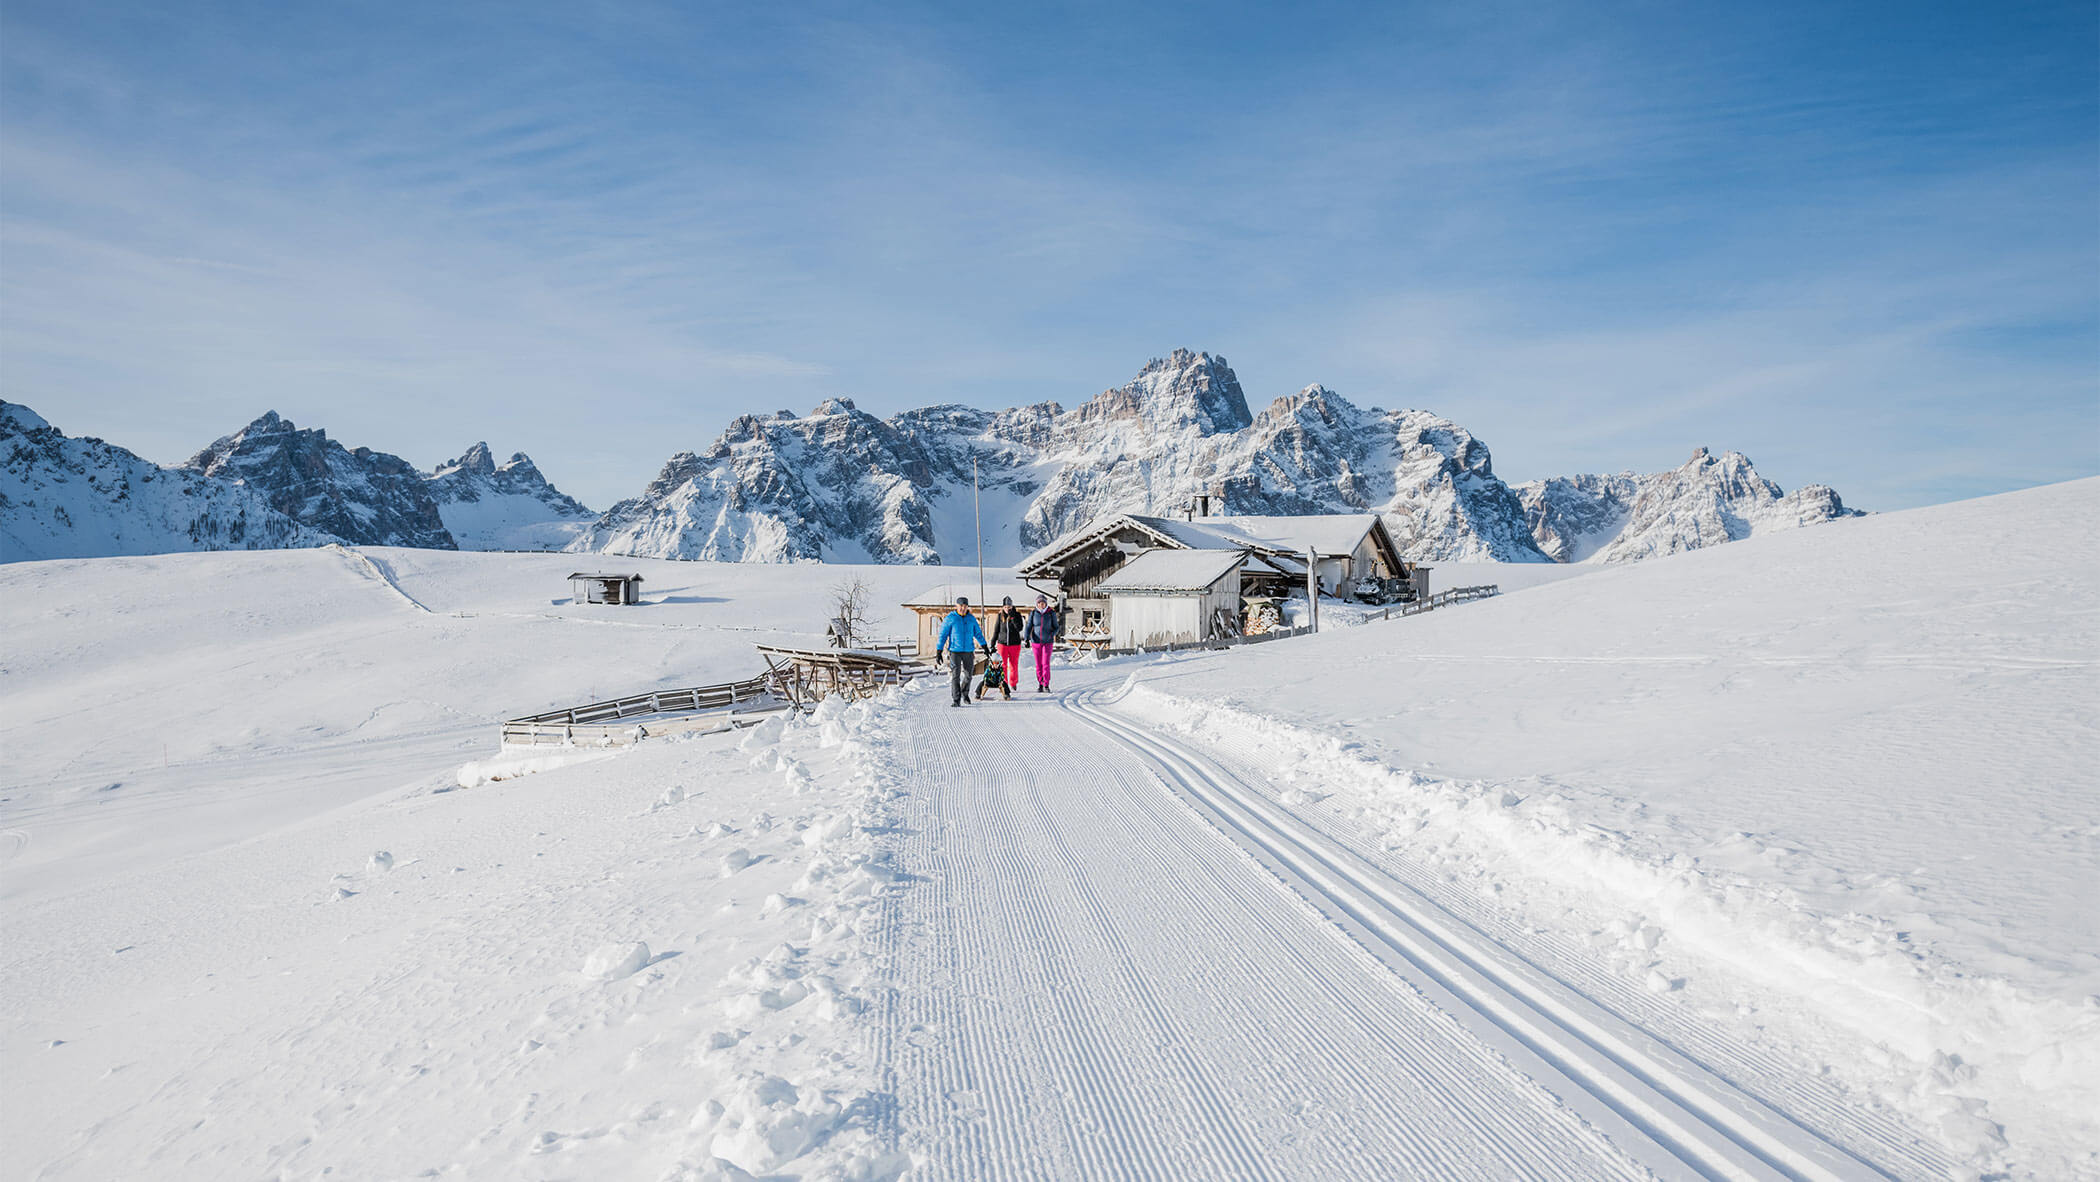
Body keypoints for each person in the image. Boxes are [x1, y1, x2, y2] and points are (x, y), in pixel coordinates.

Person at [933, 596, 989, 708]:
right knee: (956, 675)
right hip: (955, 651)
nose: (963, 608)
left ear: (967, 606)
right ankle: (956, 699)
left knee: (969, 675)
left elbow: (978, 634)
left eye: (965, 606)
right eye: (961, 606)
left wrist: (985, 647)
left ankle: (965, 693)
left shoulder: (971, 619)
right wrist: (939, 651)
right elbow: (943, 635)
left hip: (968, 651)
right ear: (957, 606)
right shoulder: (950, 619)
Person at [990, 596, 1026, 701]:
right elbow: (996, 630)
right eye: (1005, 607)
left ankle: (1013, 682)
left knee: (1013, 664)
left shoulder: (1017, 615)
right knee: (1003, 665)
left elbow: (1019, 628)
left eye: (1009, 606)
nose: (1007, 609)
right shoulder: (1000, 616)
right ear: (1003, 607)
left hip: (1015, 644)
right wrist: (992, 643)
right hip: (1002, 644)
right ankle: (1004, 684)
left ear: (1012, 606)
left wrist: (1013, 617)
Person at [1024, 593, 1061, 693]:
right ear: (1037, 603)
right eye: (1039, 603)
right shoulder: (1033, 613)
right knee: (1038, 664)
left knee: (1045, 664)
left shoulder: (1051, 613)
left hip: (1047, 642)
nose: (1041, 605)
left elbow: (1057, 627)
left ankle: (1046, 684)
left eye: (1043, 603)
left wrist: (1052, 634)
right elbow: (1028, 626)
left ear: (1046, 603)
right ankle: (1040, 683)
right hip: (1035, 642)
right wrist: (1026, 638)